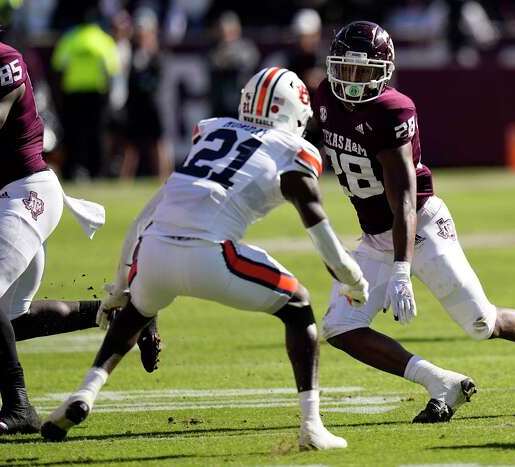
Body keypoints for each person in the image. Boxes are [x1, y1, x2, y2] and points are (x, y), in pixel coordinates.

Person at [41, 67, 367, 450]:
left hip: (155, 252)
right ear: (294, 111)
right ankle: (312, 427)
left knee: (134, 314)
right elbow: (318, 227)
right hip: (212, 255)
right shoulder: (293, 150)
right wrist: (353, 278)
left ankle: (85, 392)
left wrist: (121, 283)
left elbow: (145, 216)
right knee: (297, 305)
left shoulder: (213, 131)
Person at [309, 21, 515, 423]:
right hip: (375, 236)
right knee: (340, 326)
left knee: (482, 322)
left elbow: (404, 198)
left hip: (419, 226)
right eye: (346, 69)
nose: (352, 82)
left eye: (364, 72)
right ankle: (440, 382)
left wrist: (402, 269)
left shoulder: (392, 110)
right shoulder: (324, 98)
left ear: (385, 72)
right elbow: (306, 143)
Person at [0, 1, 159, 435]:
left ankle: (18, 408)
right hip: (7, 198)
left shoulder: (2, 61)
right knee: (9, 321)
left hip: (27, 194)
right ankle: (128, 313)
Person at [51, 6, 119, 180]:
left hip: (73, 94)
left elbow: (58, 67)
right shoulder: (104, 40)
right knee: (96, 135)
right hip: (96, 94)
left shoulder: (70, 39)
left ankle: (70, 171)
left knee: (72, 134)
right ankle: (97, 172)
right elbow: (112, 70)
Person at [119, 8, 172, 180]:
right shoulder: (131, 51)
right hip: (135, 103)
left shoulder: (158, 54)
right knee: (131, 143)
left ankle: (163, 178)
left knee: (158, 142)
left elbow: (159, 80)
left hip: (154, 103)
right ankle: (125, 179)